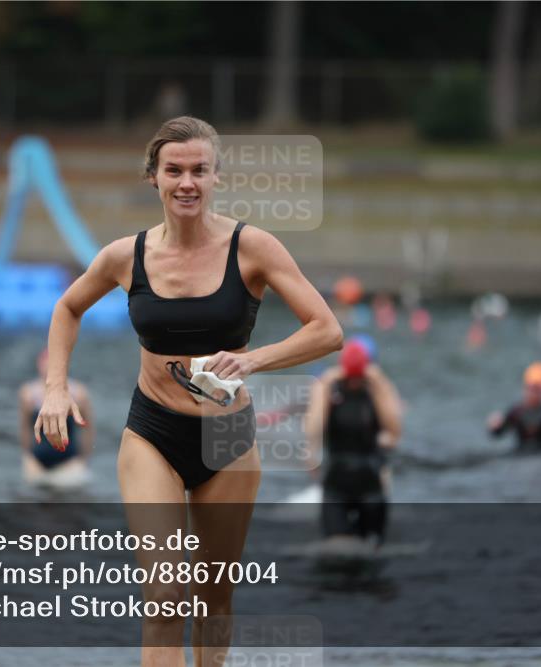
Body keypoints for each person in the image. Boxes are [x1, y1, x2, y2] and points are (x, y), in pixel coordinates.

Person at [34, 116, 343, 667]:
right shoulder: (123, 256)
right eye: (174, 170)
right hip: (152, 430)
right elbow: (67, 307)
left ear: (216, 177)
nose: (187, 183)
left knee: (214, 597)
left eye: (199, 170)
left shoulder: (253, 248)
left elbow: (326, 330)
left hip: (227, 437)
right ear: (153, 177)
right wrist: (56, 390)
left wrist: (252, 360)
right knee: (164, 597)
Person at [304, 337, 402, 546]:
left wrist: (380, 385)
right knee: (336, 548)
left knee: (372, 547)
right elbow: (313, 429)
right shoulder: (331, 389)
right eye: (351, 379)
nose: (355, 383)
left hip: (370, 481)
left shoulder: (376, 388)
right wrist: (323, 387)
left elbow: (394, 433)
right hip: (336, 482)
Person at [19, 348, 94, 485]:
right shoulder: (29, 394)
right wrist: (27, 456)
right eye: (45, 364)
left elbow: (88, 429)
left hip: (69, 461)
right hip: (37, 462)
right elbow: (25, 428)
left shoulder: (79, 393)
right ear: (39, 365)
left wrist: (84, 459)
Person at [487, 362, 541, 454]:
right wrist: (494, 426)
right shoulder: (516, 412)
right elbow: (498, 434)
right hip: (520, 454)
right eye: (531, 388)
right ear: (525, 387)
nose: (534, 393)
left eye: (538, 389)